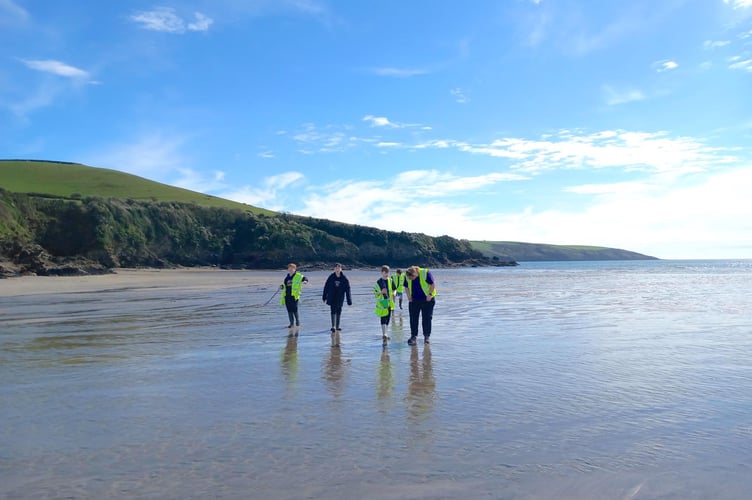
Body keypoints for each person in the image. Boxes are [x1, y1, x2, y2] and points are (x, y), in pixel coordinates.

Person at [404, 265, 436, 345]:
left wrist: (429, 294)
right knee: (413, 318)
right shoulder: (407, 275)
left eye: (412, 277)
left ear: (415, 273)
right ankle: (413, 336)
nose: (410, 279)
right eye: (409, 278)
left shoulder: (425, 273)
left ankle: (426, 337)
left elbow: (432, 284)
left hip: (427, 300)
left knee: (427, 318)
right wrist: (409, 297)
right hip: (414, 300)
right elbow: (406, 287)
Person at [322, 263, 352, 347]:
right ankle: (333, 326)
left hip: (340, 297)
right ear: (334, 269)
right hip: (332, 296)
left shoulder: (344, 278)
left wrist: (349, 300)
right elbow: (326, 286)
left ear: (341, 269)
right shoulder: (331, 277)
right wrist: (324, 296)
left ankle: (338, 326)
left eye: (339, 268)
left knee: (339, 310)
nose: (338, 269)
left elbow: (348, 289)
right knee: (333, 310)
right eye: (336, 268)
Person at [280, 263, 308, 332]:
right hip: (287, 295)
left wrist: (305, 281)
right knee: (289, 310)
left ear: (295, 269)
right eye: (289, 268)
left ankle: (297, 322)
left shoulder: (298, 276)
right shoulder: (287, 277)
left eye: (292, 268)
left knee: (294, 309)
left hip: (294, 296)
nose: (290, 269)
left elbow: (305, 278)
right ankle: (291, 323)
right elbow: (284, 285)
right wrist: (281, 286)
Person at [374, 265, 395, 346]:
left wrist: (394, 293)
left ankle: (386, 333)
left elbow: (394, 289)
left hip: (389, 302)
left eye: (387, 272)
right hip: (382, 302)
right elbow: (375, 293)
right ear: (382, 272)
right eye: (385, 272)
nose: (386, 274)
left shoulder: (390, 280)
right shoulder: (378, 282)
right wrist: (380, 292)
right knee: (383, 318)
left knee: (388, 318)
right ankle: (384, 334)